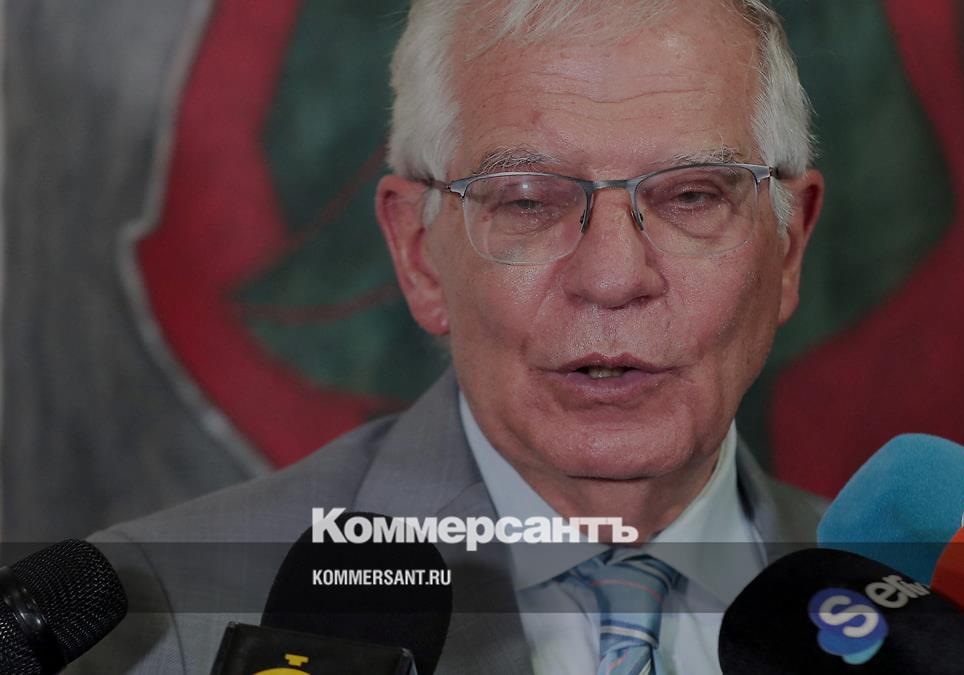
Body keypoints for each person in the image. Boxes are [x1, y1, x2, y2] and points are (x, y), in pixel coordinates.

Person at [74, 0, 826, 672]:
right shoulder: (156, 626)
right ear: (419, 256)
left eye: (691, 195)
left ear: (788, 249)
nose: (612, 277)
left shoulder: (893, 584)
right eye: (528, 202)